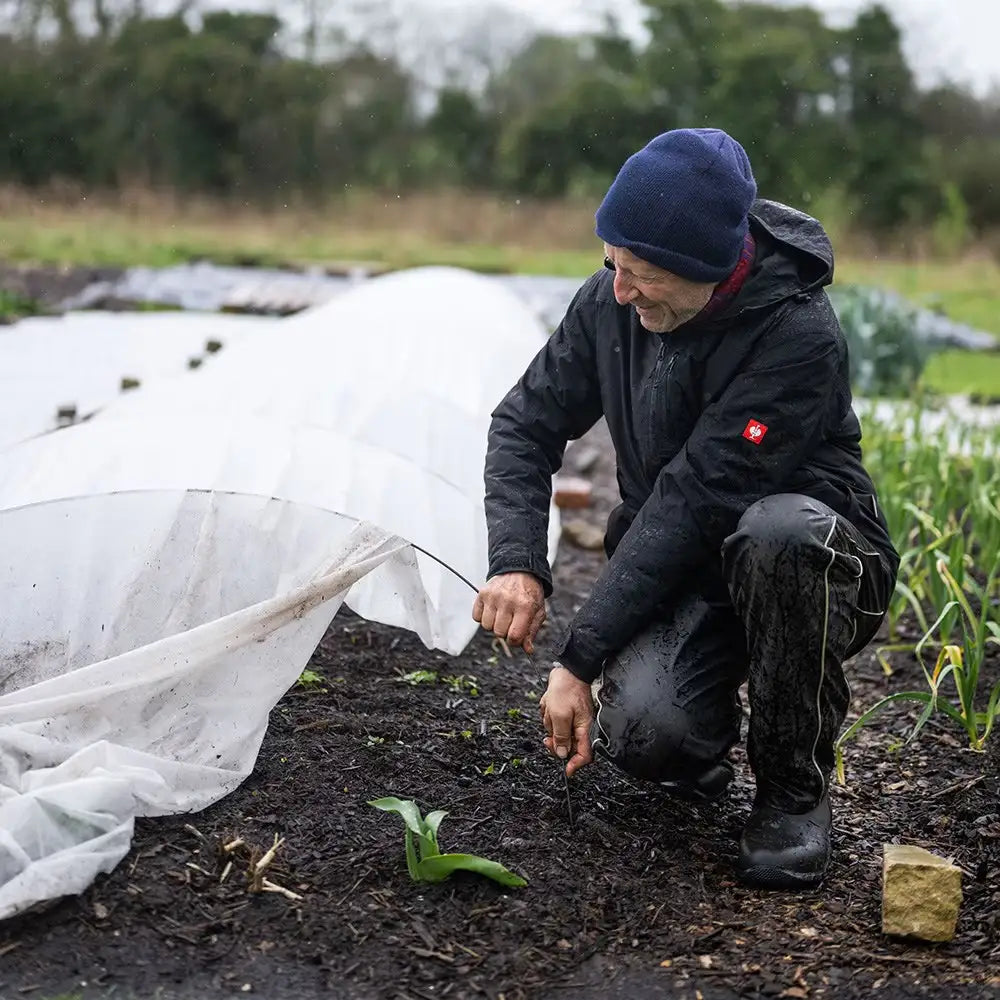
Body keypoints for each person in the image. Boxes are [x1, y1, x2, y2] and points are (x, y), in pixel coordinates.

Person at [472, 128, 899, 890]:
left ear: (711, 271)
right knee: (644, 735)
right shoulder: (610, 302)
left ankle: (792, 792)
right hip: (695, 567)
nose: (620, 290)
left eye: (641, 275)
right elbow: (523, 425)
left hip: (819, 563)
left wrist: (577, 658)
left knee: (777, 536)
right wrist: (517, 563)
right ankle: (697, 741)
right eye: (613, 264)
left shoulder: (797, 335)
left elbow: (696, 499)